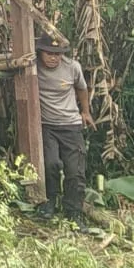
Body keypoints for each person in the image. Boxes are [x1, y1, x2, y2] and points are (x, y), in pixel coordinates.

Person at [35, 34, 95, 229]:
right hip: (47, 125)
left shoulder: (72, 67)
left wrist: (85, 112)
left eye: (58, 54)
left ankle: (74, 211)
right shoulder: (33, 67)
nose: (54, 58)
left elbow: (82, 88)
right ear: (40, 52)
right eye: (49, 53)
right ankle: (50, 202)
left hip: (71, 124)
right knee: (50, 164)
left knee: (75, 170)